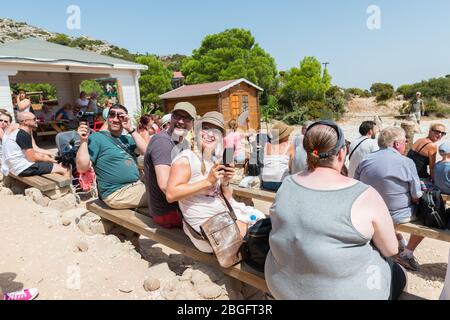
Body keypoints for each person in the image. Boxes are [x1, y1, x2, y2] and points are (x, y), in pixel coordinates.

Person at [265, 120, 406, 300]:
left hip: (281, 286)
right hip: (340, 294)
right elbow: (390, 249)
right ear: (341, 153)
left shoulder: (287, 184)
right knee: (399, 275)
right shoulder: (364, 194)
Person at [166, 112, 265, 253]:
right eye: (205, 128)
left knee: (264, 222)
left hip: (220, 220)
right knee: (264, 231)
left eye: (216, 131)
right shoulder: (186, 158)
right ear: (196, 131)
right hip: (207, 232)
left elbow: (226, 197)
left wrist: (225, 182)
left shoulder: (212, 160)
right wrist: (207, 182)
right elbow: (171, 194)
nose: (210, 134)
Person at [355, 127, 424, 271]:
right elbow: (416, 196)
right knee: (428, 212)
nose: (406, 144)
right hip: (396, 215)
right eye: (405, 141)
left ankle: (398, 242)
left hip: (370, 212)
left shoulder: (365, 160)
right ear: (396, 144)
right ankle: (407, 252)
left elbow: (357, 187)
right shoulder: (406, 162)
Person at [76, 104, 148, 210]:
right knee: (163, 195)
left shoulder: (127, 139)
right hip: (117, 193)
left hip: (135, 186)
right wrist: (83, 141)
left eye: (120, 116)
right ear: (107, 118)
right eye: (112, 115)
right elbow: (82, 168)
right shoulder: (97, 138)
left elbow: (146, 151)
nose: (115, 119)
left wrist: (130, 129)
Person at [144, 102, 196, 228]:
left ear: (192, 122)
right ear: (171, 118)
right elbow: (165, 187)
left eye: (187, 118)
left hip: (176, 206)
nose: (181, 121)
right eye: (177, 116)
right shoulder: (163, 142)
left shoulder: (183, 143)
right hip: (167, 212)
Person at [2, 112, 70, 178]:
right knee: (65, 169)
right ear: (25, 121)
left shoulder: (18, 133)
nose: (37, 120)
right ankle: (66, 189)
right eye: (34, 119)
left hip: (14, 168)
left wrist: (48, 158)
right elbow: (32, 158)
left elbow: (32, 152)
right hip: (22, 168)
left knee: (51, 165)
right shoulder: (23, 135)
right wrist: (50, 159)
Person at [261, 121, 294, 191]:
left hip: (266, 182)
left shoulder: (266, 145)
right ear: (283, 136)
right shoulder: (289, 146)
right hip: (281, 183)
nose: (289, 135)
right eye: (288, 134)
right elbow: (292, 167)